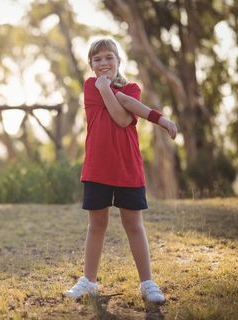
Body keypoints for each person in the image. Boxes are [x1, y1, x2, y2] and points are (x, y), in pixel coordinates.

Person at [63, 38, 177, 304]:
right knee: (97, 225)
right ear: (91, 65)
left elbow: (124, 119)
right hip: (97, 169)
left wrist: (119, 95)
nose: (103, 63)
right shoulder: (91, 85)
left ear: (118, 60)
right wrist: (112, 93)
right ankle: (89, 281)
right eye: (97, 59)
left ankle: (147, 283)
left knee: (133, 225)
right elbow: (120, 112)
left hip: (127, 169)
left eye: (108, 57)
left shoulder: (133, 88)